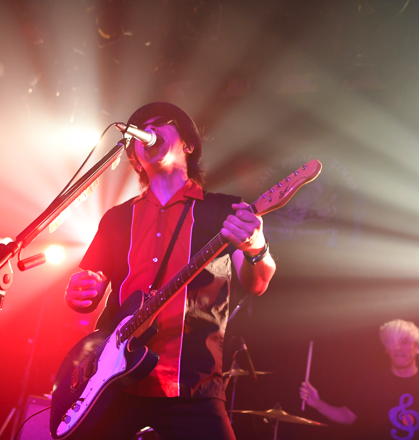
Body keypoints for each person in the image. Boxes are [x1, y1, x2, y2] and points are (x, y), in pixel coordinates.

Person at [63, 102, 276, 440]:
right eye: (141, 127)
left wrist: (256, 246)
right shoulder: (116, 218)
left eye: (162, 122)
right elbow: (87, 292)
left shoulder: (223, 209)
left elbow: (258, 283)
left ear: (188, 144)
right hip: (113, 383)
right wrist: (78, 293)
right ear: (134, 158)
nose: (148, 130)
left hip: (191, 384)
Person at [300, 319, 419, 440]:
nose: (397, 348)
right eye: (391, 342)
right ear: (386, 349)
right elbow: (347, 416)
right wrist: (317, 403)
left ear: (418, 347)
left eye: (404, 342)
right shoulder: (371, 383)